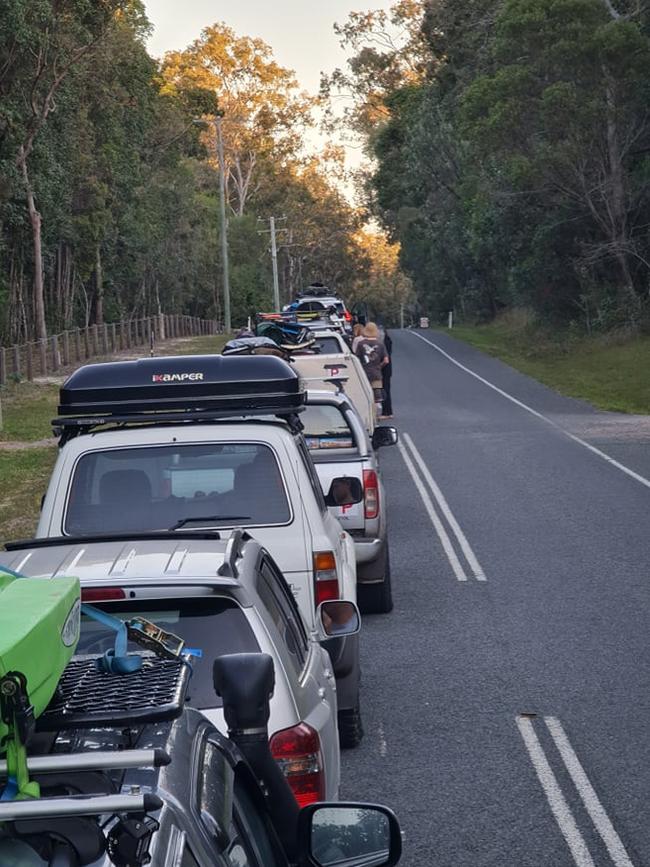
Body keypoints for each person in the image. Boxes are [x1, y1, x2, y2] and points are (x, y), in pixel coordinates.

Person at [354, 322, 388, 418]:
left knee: (365, 396)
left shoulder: (361, 344)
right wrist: (379, 366)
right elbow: (386, 360)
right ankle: (375, 416)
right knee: (376, 397)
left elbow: (356, 358)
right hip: (376, 373)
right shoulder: (380, 344)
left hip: (364, 373)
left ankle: (366, 416)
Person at [381, 329, 393, 419]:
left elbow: (385, 358)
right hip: (387, 369)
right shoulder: (388, 342)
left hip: (384, 369)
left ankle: (386, 411)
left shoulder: (383, 344)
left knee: (384, 389)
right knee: (386, 389)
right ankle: (387, 411)